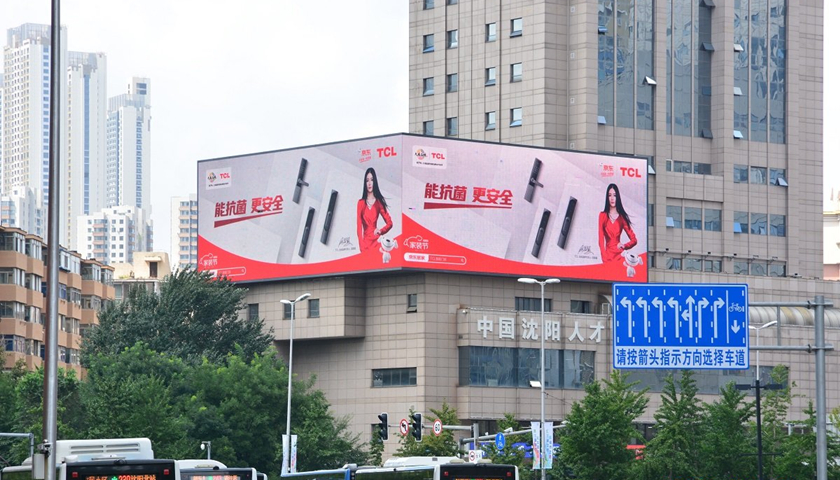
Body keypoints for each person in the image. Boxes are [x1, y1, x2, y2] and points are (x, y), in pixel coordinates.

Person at [598, 183, 637, 263]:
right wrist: (604, 258)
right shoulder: (602, 216)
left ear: (617, 197)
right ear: (607, 198)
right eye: (610, 195)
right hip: (607, 256)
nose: (612, 198)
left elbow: (634, 240)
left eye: (614, 195)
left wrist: (624, 246)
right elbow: (601, 240)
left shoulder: (622, 218)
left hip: (620, 256)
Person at [357, 167, 393, 251]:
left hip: (376, 243)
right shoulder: (360, 203)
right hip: (365, 244)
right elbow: (359, 227)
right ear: (365, 183)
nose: (369, 183)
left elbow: (390, 223)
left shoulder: (378, 202)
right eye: (367, 180)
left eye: (372, 180)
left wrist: (381, 231)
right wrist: (361, 247)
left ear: (375, 182)